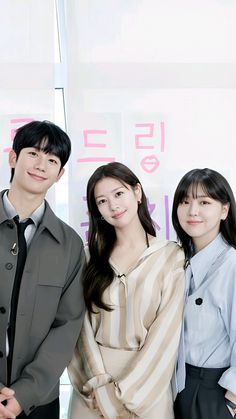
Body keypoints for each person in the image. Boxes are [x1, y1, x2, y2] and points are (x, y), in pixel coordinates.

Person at [68, 161, 185, 419]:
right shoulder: (89, 258)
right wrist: (99, 387)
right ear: (96, 210)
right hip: (92, 389)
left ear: (137, 192)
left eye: (119, 193)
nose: (113, 205)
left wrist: (124, 396)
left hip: (148, 389)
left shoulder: (170, 256)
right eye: (102, 201)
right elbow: (79, 329)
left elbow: (166, 334)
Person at [0, 120, 85, 419]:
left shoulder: (70, 245)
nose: (41, 165)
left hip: (38, 403)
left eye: (52, 160)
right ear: (13, 158)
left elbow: (67, 326)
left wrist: (25, 393)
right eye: (33, 154)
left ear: (60, 174)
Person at [172, 168, 236, 419]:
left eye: (204, 202)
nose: (192, 211)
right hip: (178, 386)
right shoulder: (177, 259)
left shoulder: (231, 265)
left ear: (224, 210)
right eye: (185, 201)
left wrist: (230, 403)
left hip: (214, 392)